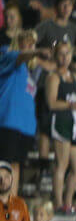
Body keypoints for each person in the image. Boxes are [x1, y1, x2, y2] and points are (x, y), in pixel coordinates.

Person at [0, 39, 50, 193]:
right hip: (8, 123)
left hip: (26, 128)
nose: (30, 47)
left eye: (33, 44)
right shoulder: (7, 55)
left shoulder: (29, 71)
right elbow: (19, 56)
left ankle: (11, 204)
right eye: (27, 43)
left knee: (15, 167)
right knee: (4, 166)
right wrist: (36, 52)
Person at [46, 38, 76, 214]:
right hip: (62, 120)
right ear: (55, 56)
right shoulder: (54, 77)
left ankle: (68, 202)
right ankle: (58, 202)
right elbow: (52, 103)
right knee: (61, 163)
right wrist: (71, 105)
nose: (64, 57)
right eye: (61, 54)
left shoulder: (74, 77)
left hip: (75, 122)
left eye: (67, 53)